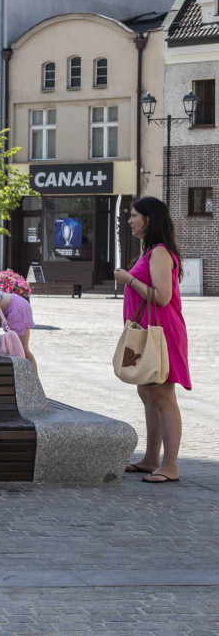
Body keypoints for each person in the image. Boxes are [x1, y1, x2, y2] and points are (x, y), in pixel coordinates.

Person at [113, 196, 190, 483]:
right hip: (147, 332)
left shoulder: (159, 252)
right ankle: (150, 459)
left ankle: (170, 465)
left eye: (134, 215)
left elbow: (162, 296)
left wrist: (128, 279)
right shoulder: (150, 252)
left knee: (163, 396)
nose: (130, 220)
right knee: (147, 394)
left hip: (161, 333)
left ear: (149, 218)